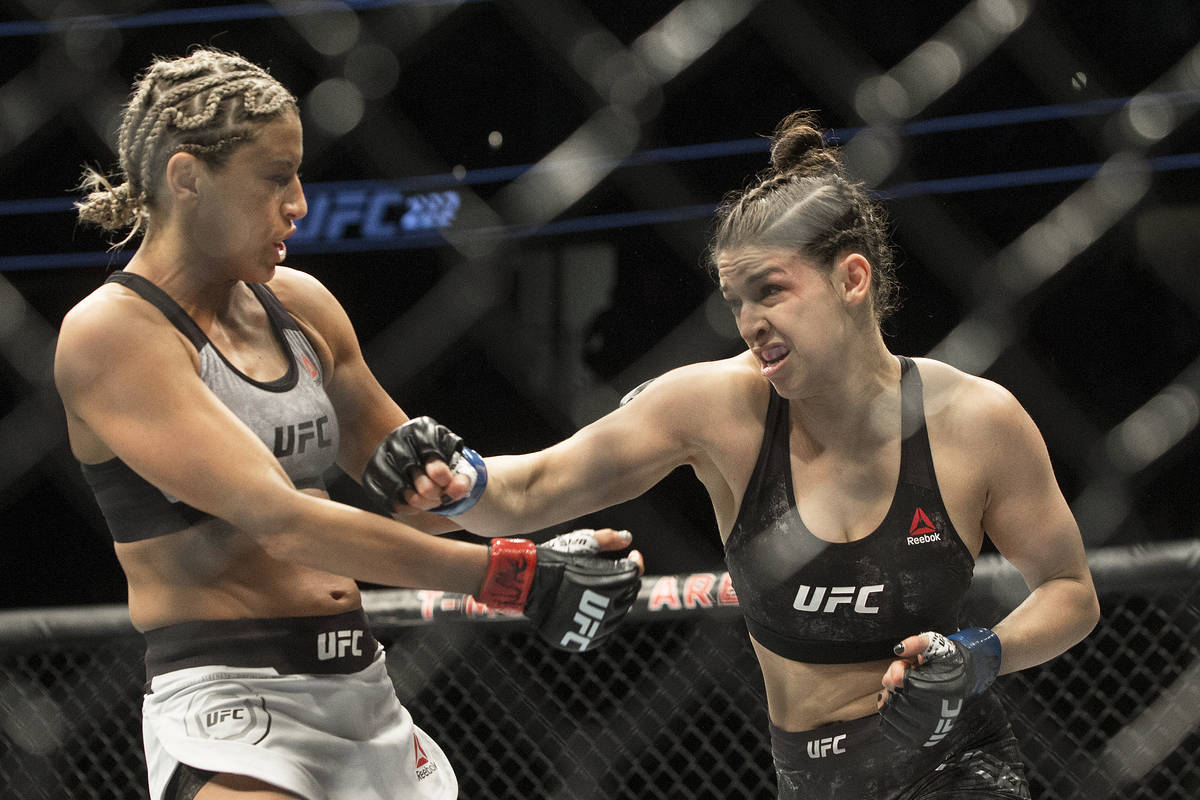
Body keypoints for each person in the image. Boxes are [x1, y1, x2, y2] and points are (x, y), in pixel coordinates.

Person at [371, 111, 1101, 798]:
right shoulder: (714, 409)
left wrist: (980, 657)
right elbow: (532, 487)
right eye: (735, 301)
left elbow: (1070, 592)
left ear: (852, 279)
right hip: (807, 780)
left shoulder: (977, 420)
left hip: (957, 764)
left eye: (771, 292)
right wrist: (456, 479)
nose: (751, 322)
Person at [53, 48, 643, 800]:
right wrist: (513, 577)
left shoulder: (301, 307)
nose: (298, 204)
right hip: (234, 709)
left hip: (362, 689)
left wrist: (480, 510)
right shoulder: (114, 335)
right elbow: (283, 522)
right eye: (274, 178)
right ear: (187, 178)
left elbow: (420, 507)